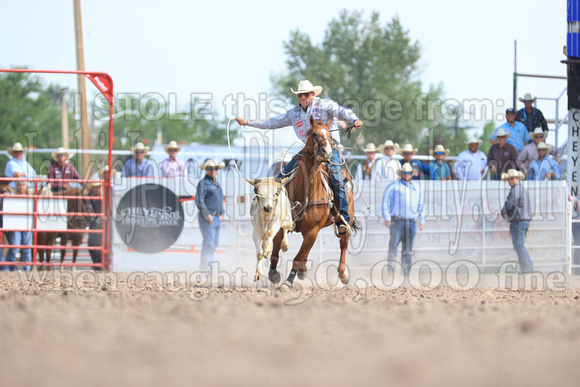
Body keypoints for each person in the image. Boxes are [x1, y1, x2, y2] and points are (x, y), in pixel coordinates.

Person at [235, 80, 363, 235]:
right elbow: (273, 122)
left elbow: (342, 111)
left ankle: (342, 217)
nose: (303, 97)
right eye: (301, 95)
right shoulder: (294, 113)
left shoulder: (325, 105)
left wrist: (354, 119)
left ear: (313, 94)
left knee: (336, 177)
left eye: (306, 94)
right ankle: (279, 214)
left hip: (329, 148)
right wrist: (248, 122)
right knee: (283, 176)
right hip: (308, 150)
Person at [381, 163, 425, 276]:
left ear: (412, 174)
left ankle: (406, 274)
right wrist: (387, 217)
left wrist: (422, 219)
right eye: (404, 172)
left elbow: (421, 204)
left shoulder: (417, 188)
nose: (407, 174)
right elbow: (385, 202)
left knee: (408, 249)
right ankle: (390, 272)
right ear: (401, 173)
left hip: (411, 221)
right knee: (393, 246)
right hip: (397, 221)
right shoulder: (393, 186)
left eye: (409, 172)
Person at [500, 169, 533, 274]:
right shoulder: (522, 189)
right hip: (523, 220)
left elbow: (510, 204)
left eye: (512, 178)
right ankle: (528, 266)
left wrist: (503, 211)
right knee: (519, 245)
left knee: (518, 245)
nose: (510, 180)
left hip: (519, 221)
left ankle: (527, 267)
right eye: (509, 179)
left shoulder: (515, 190)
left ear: (517, 179)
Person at [195, 159, 225, 271]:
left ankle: (205, 267)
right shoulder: (203, 183)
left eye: (215, 169)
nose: (213, 171)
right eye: (210, 168)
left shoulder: (216, 183)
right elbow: (199, 200)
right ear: (206, 170)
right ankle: (207, 269)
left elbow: (220, 200)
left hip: (216, 217)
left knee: (213, 243)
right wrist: (207, 215)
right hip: (208, 218)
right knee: (209, 243)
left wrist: (221, 213)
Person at [4, 180, 32, 271]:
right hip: (15, 224)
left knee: (26, 248)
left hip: (26, 225)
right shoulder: (12, 195)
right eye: (19, 185)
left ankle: (26, 269)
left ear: (25, 186)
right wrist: (7, 197)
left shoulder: (30, 197)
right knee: (14, 247)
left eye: (23, 185)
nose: (21, 187)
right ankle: (11, 267)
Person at [0, 177, 12, 271]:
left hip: (10, 221)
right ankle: (3, 267)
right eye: (2, 183)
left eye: (5, 184)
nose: (4, 186)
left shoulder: (12, 193)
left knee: (14, 245)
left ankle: (5, 266)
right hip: (3, 221)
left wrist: (11, 196)